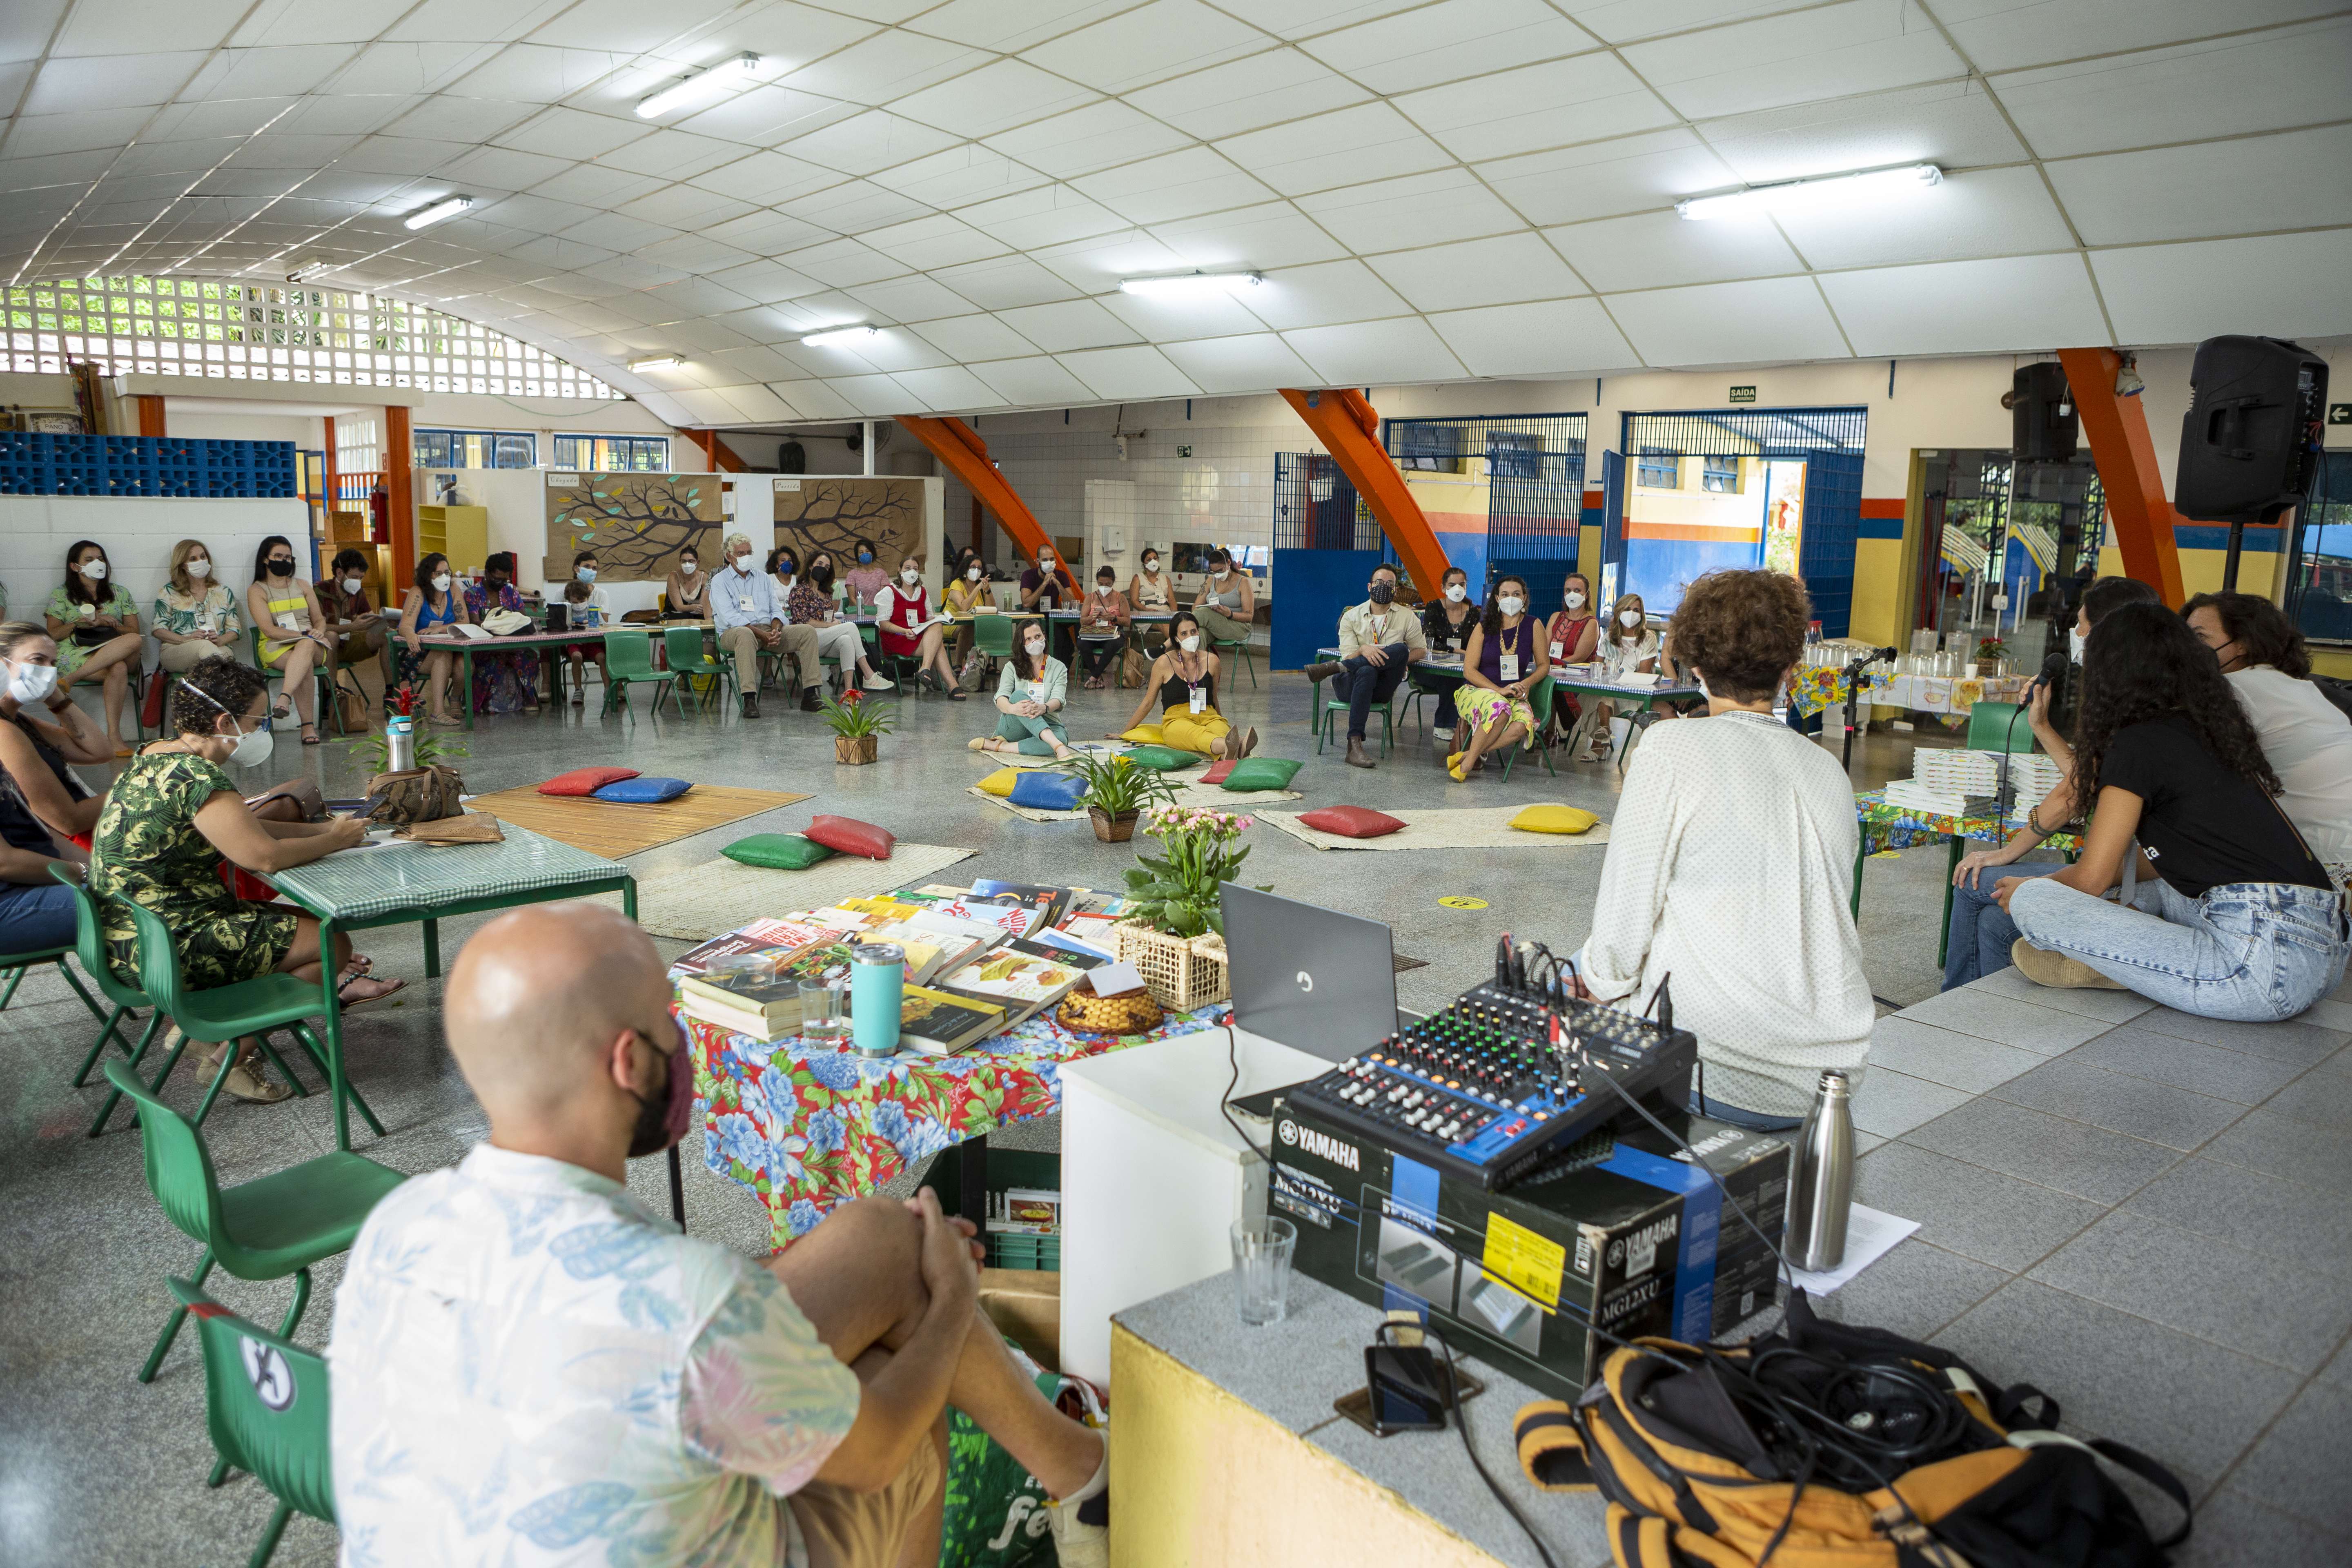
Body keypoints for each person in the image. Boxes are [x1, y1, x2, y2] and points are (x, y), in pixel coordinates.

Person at [327, 902, 1108, 1568]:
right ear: (631, 1061)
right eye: (673, 1018)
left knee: (879, 1236)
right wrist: (950, 1299)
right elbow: (872, 1453)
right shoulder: (684, 1296)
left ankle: (1081, 1472)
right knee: (899, 1381)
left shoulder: (397, 1226)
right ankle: (1085, 1477)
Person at [1578, 570, 1871, 1129]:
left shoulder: (1670, 747)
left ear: (1695, 664)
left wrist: (1595, 985)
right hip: (1829, 1072)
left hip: (1713, 1061)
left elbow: (1623, 923)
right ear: (1790, 669)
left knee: (1567, 975)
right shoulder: (1828, 770)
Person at [1999, 602, 2348, 1018]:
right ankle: (2142, 965)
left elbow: (2091, 879)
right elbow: (2158, 867)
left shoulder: (2135, 744)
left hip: (2262, 972)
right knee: (2155, 884)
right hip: (2325, 957)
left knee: (2037, 902)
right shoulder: (2210, 730)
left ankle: (2128, 966)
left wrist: (2029, 890)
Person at [90, 659, 398, 1104]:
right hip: (166, 947)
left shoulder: (153, 758)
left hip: (131, 934)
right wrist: (332, 843)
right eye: (256, 721)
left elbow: (247, 830)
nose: (260, 730)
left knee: (304, 929)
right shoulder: (197, 778)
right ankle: (228, 1054)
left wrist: (329, 833)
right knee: (333, 946)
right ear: (224, 722)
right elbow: (264, 856)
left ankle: (204, 1031)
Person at [1942, 576, 2163, 989]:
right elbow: (2088, 779)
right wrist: (2041, 726)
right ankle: (1967, 1015)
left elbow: (2072, 796)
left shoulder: (2134, 705)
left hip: (2142, 881)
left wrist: (2006, 857)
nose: (2076, 635)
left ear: (2110, 632)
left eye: (2081, 626)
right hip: (2129, 870)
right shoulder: (2143, 692)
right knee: (1992, 913)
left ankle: (1954, 1008)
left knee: (1975, 884)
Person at [2184, 590, 2352, 890]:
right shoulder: (2302, 689)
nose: (2184, 648)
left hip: (2323, 871)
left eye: (2199, 637)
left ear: (2242, 644)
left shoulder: (2232, 689)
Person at [0, 623, 113, 953]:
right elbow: (6, 862)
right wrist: (85, 873)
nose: (48, 672)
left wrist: (55, 695)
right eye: (38, 661)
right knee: (149, 904)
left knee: (150, 889)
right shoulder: (4, 733)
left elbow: (99, 751)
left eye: (53, 664)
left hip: (29, 881)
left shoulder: (18, 722)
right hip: (11, 897)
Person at [1305, 563, 1428, 769]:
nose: (1384, 587)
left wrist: (1395, 659)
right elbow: (1349, 655)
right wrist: (1363, 650)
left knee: (1401, 650)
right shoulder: (1351, 617)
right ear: (1370, 587)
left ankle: (1333, 668)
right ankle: (1354, 745)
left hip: (1383, 687)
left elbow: (1421, 650)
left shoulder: (1408, 617)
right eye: (1379, 582)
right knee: (1366, 670)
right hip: (1349, 685)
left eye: (1390, 584)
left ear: (1396, 590)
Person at [1110, 609, 1256, 760]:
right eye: (1184, 634)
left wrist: (1220, 721)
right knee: (1198, 736)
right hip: (1176, 720)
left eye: (1194, 632)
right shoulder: (1164, 663)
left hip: (1208, 715)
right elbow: (1148, 703)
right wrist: (1124, 732)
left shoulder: (1213, 661)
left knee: (1221, 731)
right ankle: (1238, 744)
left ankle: (1228, 753)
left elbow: (1214, 698)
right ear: (1176, 638)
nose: (1191, 637)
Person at [45, 539, 143, 757]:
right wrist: (81, 622)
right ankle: (115, 739)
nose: (97, 564)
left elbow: (133, 630)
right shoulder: (61, 595)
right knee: (117, 668)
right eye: (89, 560)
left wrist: (107, 624)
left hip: (116, 646)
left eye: (100, 559)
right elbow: (52, 634)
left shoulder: (120, 592)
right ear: (75, 567)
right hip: (77, 651)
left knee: (135, 639)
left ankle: (69, 680)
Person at [1448, 575, 1548, 782]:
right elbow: (1469, 671)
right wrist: (1498, 690)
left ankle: (1469, 754)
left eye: (1516, 594)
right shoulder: (1484, 626)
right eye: (1505, 594)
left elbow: (1544, 665)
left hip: (1514, 693)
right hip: (1476, 691)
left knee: (1523, 724)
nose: (1510, 598)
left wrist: (1527, 683)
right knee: (1500, 710)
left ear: (1524, 598)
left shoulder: (1534, 625)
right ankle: (1466, 765)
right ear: (1496, 599)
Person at [713, 533, 824, 717]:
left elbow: (777, 610)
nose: (746, 556)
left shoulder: (763, 578)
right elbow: (730, 617)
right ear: (729, 556)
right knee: (744, 634)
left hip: (768, 631)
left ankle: (810, 695)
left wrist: (776, 629)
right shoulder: (720, 581)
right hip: (734, 633)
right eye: (741, 553)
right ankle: (749, 699)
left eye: (749, 552)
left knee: (807, 632)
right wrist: (761, 634)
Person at [243, 535, 337, 744]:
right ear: (265, 560)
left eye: (288, 557)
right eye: (278, 556)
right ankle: (308, 727)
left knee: (305, 648)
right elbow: (268, 630)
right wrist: (305, 635)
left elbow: (319, 619)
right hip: (276, 646)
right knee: (303, 663)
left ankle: (284, 698)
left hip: (313, 644)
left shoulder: (303, 586)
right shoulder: (257, 590)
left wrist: (318, 632)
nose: (284, 561)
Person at [793, 552, 893, 694]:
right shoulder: (799, 591)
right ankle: (869, 674)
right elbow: (803, 620)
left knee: (846, 640)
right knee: (850, 627)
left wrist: (833, 621)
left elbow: (828, 617)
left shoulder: (826, 592)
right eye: (820, 565)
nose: (823, 569)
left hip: (825, 639)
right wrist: (831, 625)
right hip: (807, 640)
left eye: (827, 567)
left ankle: (849, 691)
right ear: (810, 566)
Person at [975, 623, 1075, 759]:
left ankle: (1001, 746)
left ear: (1044, 637)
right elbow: (1001, 698)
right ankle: (1056, 746)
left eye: (1038, 636)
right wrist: (1013, 709)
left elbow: (1058, 699)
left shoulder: (1059, 667)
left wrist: (1043, 708)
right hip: (1017, 724)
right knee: (1018, 696)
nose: (1034, 641)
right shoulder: (1011, 667)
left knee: (1062, 739)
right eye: (1028, 639)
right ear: (1022, 643)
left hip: (1049, 720)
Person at [395, 551, 470, 728]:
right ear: (429, 575)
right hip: (420, 652)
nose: (445, 577)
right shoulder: (418, 592)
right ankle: (438, 712)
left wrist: (439, 629)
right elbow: (405, 625)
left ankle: (455, 699)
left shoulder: (453, 589)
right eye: (439, 573)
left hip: (452, 649)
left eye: (447, 572)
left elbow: (464, 622)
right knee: (442, 655)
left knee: (465, 665)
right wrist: (411, 634)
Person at [873, 554, 965, 700]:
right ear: (900, 571)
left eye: (915, 569)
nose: (912, 572)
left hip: (920, 635)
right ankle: (951, 685)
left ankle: (926, 669)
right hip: (898, 637)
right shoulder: (889, 592)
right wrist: (904, 631)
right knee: (938, 644)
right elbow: (884, 625)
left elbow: (930, 616)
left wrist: (935, 620)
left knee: (936, 625)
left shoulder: (922, 592)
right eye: (908, 568)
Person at [1584, 592, 1658, 762]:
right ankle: (1604, 730)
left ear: (1642, 614)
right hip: (1611, 690)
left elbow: (1645, 673)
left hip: (1635, 692)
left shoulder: (1648, 638)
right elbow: (1598, 665)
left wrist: (1615, 677)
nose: (1632, 613)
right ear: (1618, 612)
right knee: (1602, 692)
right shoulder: (1609, 638)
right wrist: (1606, 672)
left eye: (1636, 610)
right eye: (1627, 609)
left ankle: (1600, 741)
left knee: (1605, 693)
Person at [463, 552, 540, 715]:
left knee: (530, 656)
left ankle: (529, 694)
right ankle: (484, 702)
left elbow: (523, 618)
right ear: (488, 573)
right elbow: (476, 623)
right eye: (499, 579)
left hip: (512, 644)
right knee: (495, 660)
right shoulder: (472, 594)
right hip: (485, 647)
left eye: (506, 580)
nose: (502, 584)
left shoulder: (510, 592)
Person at [151, 539, 241, 675]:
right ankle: (237, 685)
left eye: (203, 557)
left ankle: (210, 693)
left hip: (218, 647)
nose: (200, 561)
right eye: (193, 559)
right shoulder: (169, 592)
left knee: (217, 657)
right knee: (205, 647)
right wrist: (187, 639)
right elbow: (158, 630)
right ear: (183, 565)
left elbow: (235, 630)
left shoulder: (224, 592)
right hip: (177, 649)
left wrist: (221, 639)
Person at [1414, 566, 1478, 751]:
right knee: (1450, 677)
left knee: (1464, 678)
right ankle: (1442, 725)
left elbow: (1477, 643)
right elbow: (1429, 642)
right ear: (1443, 588)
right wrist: (1459, 652)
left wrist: (1466, 654)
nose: (1457, 589)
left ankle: (1468, 725)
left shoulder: (1474, 613)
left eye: (1461, 584)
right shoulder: (1434, 607)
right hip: (1430, 668)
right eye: (1452, 585)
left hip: (1463, 669)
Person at [1542, 571, 1601, 745]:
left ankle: (1550, 731)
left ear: (1587, 595)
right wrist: (1546, 665)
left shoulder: (1591, 623)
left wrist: (1553, 666)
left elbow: (1579, 657)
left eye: (1577, 590)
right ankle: (1536, 728)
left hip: (1577, 674)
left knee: (1549, 683)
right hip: (1551, 668)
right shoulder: (1555, 617)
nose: (1572, 594)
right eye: (1568, 590)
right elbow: (1543, 648)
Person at [318, 547, 387, 682]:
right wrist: (352, 627)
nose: (358, 582)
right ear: (339, 572)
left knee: (387, 634)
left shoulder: (359, 591)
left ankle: (392, 692)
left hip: (348, 643)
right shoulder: (321, 591)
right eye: (354, 577)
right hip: (325, 647)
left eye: (361, 578)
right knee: (332, 637)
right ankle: (330, 694)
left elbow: (370, 617)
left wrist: (384, 622)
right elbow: (316, 628)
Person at [557, 549, 612, 707]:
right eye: (587, 567)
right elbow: (558, 624)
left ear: (588, 597)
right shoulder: (564, 594)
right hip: (573, 640)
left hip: (592, 642)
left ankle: (609, 689)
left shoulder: (597, 598)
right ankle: (578, 690)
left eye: (594, 568)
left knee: (603, 657)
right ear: (577, 568)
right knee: (576, 657)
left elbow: (604, 623)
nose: (591, 571)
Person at [1076, 565, 1131, 690]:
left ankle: (1094, 677)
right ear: (1097, 582)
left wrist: (1114, 618)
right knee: (1082, 643)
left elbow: (1128, 621)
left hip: (1113, 634)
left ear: (1113, 582)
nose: (1104, 587)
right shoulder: (1090, 597)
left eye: (1108, 584)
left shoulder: (1120, 598)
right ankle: (1098, 677)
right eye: (1101, 584)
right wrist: (1092, 618)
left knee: (1112, 645)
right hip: (1093, 633)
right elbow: (1083, 621)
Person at [945, 551, 996, 682]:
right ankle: (958, 664)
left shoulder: (981, 587)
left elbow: (991, 608)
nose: (977, 570)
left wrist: (987, 590)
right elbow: (964, 606)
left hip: (973, 624)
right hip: (952, 624)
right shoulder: (957, 584)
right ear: (966, 569)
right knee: (969, 627)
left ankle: (985, 663)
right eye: (973, 567)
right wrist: (977, 588)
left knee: (990, 626)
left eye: (979, 568)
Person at [1190, 548, 1254, 650]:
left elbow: (1249, 616)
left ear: (1229, 562)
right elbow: (1195, 607)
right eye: (1214, 571)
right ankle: (1198, 665)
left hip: (1238, 626)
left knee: (1204, 613)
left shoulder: (1243, 582)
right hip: (1214, 626)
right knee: (1198, 634)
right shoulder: (1210, 580)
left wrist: (1230, 614)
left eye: (1220, 570)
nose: (1218, 575)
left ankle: (1169, 643)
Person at [1129, 545, 1172, 655]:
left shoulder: (1165, 578)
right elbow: (1134, 601)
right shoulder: (1138, 578)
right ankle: (1182, 648)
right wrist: (1147, 610)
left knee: (1181, 624)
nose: (1153, 561)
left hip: (1166, 612)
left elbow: (1172, 601)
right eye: (1149, 559)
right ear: (1144, 564)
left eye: (1155, 558)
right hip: (1146, 615)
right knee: (1162, 624)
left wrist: (1174, 615)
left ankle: (1168, 647)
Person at [666, 543, 711, 621]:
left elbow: (703, 606)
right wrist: (694, 607)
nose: (687, 564)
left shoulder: (705, 577)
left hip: (698, 619)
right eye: (684, 561)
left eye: (691, 561)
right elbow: (679, 607)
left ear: (698, 562)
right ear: (680, 562)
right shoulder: (673, 577)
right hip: (675, 618)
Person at [1019, 544, 1071, 611]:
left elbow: (1072, 605)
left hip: (1052, 618)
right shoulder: (1028, 575)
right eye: (1045, 560)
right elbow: (1026, 604)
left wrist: (1058, 584)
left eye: (1052, 559)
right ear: (1038, 562)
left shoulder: (1062, 575)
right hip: (1032, 618)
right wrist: (1044, 584)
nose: (1049, 563)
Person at [843, 537, 891, 608]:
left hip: (877, 613)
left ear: (873, 553)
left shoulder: (882, 574)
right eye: (861, 552)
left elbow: (884, 597)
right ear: (858, 556)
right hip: (858, 613)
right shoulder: (852, 574)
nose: (865, 554)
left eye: (867, 551)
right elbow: (852, 600)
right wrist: (864, 612)